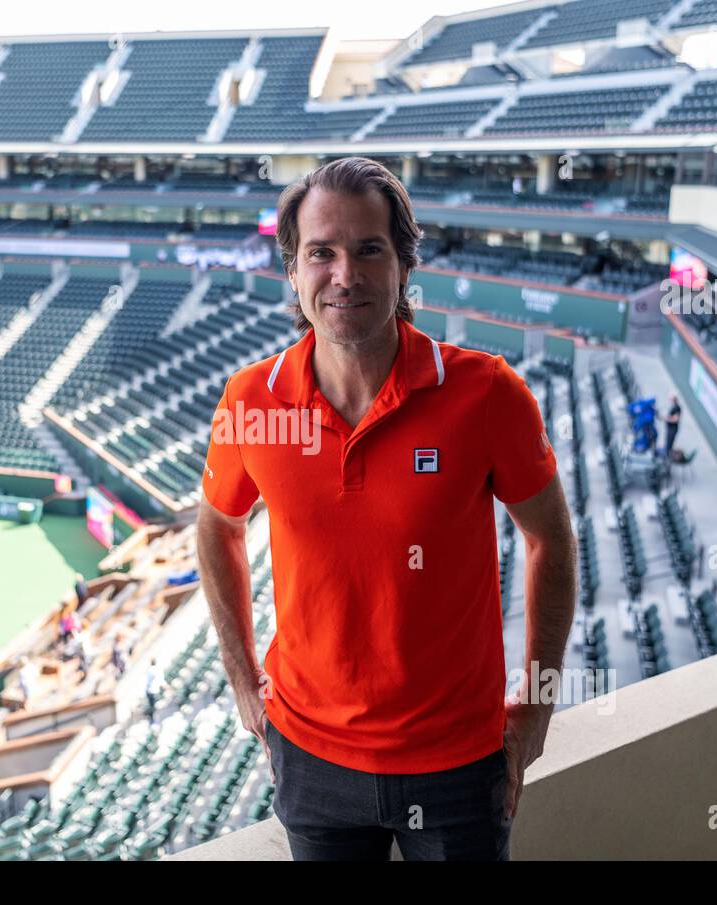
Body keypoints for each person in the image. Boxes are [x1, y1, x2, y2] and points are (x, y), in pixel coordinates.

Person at [197, 157, 577, 861]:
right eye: (322, 252)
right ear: (293, 268)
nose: (345, 275)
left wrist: (539, 701)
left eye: (369, 249)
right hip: (310, 757)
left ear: (404, 264)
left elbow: (551, 540)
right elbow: (218, 525)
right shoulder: (250, 401)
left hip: (458, 762)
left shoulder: (488, 394)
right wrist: (242, 673)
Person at [664, 393, 683, 458]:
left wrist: (666, 419)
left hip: (672, 429)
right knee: (667, 446)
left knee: (669, 446)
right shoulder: (674, 407)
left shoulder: (677, 407)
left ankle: (667, 461)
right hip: (670, 429)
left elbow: (676, 419)